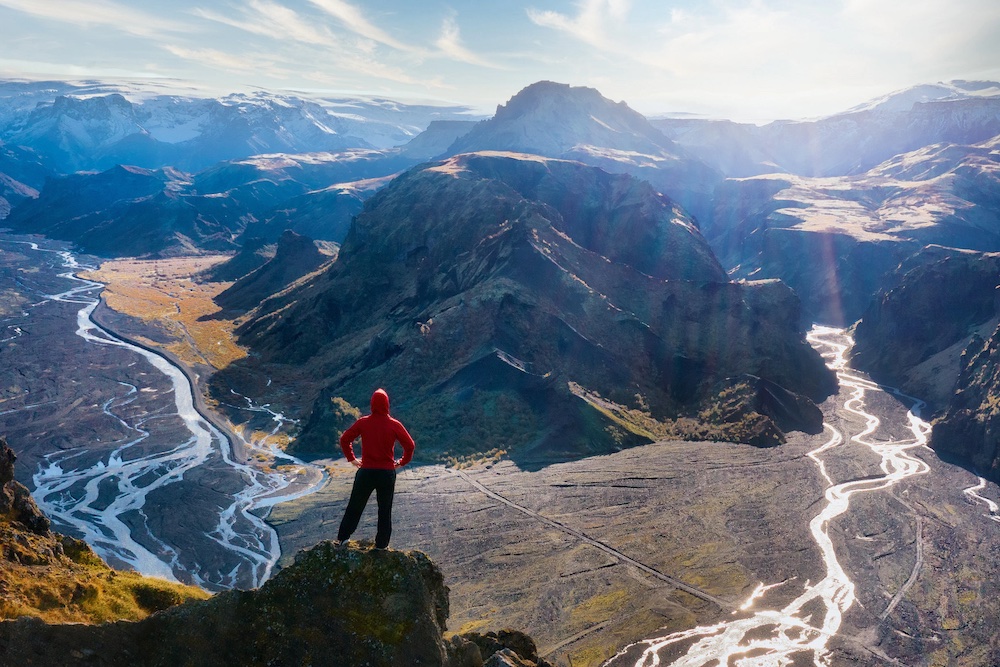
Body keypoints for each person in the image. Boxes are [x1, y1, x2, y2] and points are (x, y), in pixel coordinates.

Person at [335, 388, 415, 549]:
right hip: (386, 473)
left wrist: (352, 459)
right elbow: (410, 445)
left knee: (355, 505)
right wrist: (401, 462)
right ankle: (381, 545)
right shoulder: (394, 424)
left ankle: (343, 538)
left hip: (366, 472)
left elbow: (345, 439)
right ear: (387, 404)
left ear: (372, 404)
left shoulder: (364, 422)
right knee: (384, 510)